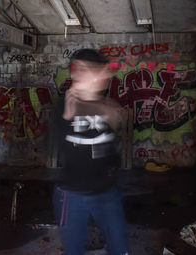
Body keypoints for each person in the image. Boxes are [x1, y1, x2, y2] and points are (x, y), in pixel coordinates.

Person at [52, 48, 129, 255]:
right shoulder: (63, 108)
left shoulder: (109, 107)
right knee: (74, 250)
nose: (78, 73)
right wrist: (67, 117)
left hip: (107, 191)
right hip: (71, 193)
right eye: (77, 69)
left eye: (86, 69)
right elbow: (54, 144)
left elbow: (113, 139)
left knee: (120, 248)